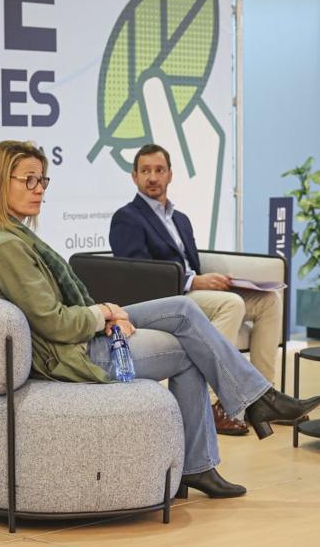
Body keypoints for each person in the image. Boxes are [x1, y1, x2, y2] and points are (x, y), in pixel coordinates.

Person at [0, 140, 320, 498]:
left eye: (42, 180)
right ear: (0, 181)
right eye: (28, 180)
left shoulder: (11, 237)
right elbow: (56, 324)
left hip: (79, 335)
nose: (39, 189)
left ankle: (254, 402)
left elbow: (54, 312)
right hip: (73, 354)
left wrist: (104, 315)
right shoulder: (8, 247)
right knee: (190, 351)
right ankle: (203, 460)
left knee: (186, 311)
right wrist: (104, 314)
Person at [109, 143, 283, 437]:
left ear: (170, 175)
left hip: (193, 293)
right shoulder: (127, 217)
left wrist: (221, 280)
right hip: (164, 299)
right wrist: (192, 282)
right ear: (134, 177)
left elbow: (191, 262)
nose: (152, 177)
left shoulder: (181, 219)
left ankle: (263, 396)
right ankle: (221, 405)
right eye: (145, 171)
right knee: (231, 305)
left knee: (269, 300)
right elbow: (137, 274)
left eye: (159, 170)